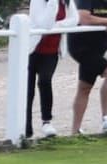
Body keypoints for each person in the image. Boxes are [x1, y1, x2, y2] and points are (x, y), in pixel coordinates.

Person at [68, 0, 107, 136]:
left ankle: (75, 131)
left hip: (98, 48)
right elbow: (83, 18)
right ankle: (106, 119)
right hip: (81, 47)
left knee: (84, 87)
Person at [27, 0, 79, 139]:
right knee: (28, 89)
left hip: (51, 51)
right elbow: (44, 24)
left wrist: (58, 25)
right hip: (31, 51)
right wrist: (53, 3)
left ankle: (46, 122)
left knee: (45, 81)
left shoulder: (67, 2)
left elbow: (74, 19)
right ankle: (26, 127)